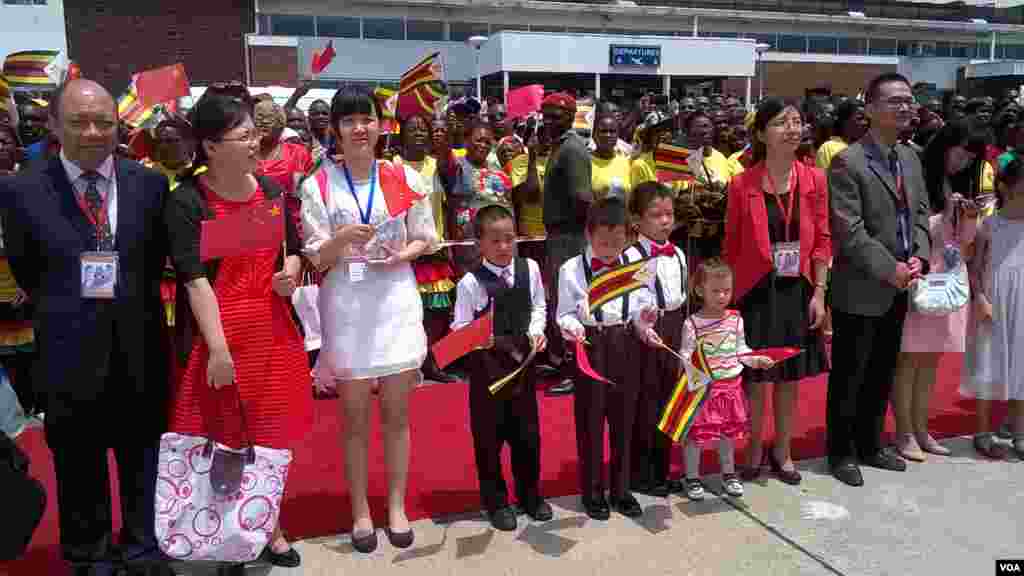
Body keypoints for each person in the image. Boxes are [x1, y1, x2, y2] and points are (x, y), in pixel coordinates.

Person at [0, 79, 172, 576]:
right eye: (78, 121)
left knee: (143, 461)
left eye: (104, 121)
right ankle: (89, 553)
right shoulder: (22, 189)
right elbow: (27, 269)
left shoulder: (148, 183)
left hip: (139, 352)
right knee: (79, 466)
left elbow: (153, 260)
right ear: (53, 125)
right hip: (67, 353)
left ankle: (142, 547)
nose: (93, 132)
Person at [164, 89, 312, 568]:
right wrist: (219, 351)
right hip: (220, 337)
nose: (255, 143)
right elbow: (195, 282)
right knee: (224, 436)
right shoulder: (187, 201)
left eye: (255, 134)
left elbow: (289, 250)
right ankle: (227, 530)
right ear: (210, 146)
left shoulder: (272, 192)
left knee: (271, 437)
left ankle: (269, 525)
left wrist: (290, 272)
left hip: (273, 330)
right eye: (244, 135)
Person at [300, 85, 438, 553]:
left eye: (368, 119)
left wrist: (405, 253)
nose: (360, 128)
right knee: (354, 419)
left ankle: (395, 505)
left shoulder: (402, 176)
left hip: (395, 300)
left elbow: (427, 237)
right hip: (347, 307)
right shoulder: (317, 184)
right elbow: (315, 256)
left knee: (397, 417)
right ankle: (360, 509)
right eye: (349, 121)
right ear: (334, 130)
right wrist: (340, 241)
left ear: (382, 125)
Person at [827, 73, 931, 487]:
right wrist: (892, 268)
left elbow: (920, 213)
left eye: (908, 100)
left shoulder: (910, 156)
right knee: (850, 372)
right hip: (862, 285)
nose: (905, 107)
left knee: (883, 369)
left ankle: (871, 444)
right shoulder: (847, 161)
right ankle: (841, 451)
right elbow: (849, 230)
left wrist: (920, 256)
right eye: (894, 101)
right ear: (869, 109)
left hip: (902, 283)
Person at [723, 98, 831, 486]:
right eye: (782, 123)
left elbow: (822, 238)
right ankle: (753, 448)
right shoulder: (741, 184)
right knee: (756, 377)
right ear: (761, 133)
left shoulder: (815, 180)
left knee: (789, 377)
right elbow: (731, 246)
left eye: (797, 122)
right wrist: (726, 301)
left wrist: (819, 293)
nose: (791, 129)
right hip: (755, 290)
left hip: (798, 289)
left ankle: (782, 449)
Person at [451, 204, 552, 531]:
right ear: (479, 244)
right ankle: (496, 501)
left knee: (528, 436)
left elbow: (539, 304)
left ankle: (530, 495)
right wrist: (479, 337)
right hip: (488, 371)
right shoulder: (469, 283)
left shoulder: (530, 268)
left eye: (509, 239)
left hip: (523, 366)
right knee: (489, 440)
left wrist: (538, 332)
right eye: (495, 241)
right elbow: (459, 328)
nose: (504, 247)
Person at [557, 197, 656, 520]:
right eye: (603, 242)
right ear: (588, 235)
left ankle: (622, 489)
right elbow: (565, 314)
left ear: (629, 236)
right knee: (590, 420)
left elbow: (641, 307)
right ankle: (593, 490)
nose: (610, 250)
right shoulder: (571, 269)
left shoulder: (634, 265)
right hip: (592, 344)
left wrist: (647, 323)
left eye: (618, 242)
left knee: (625, 419)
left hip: (626, 343)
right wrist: (573, 329)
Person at [895, 120, 983, 461]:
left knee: (931, 359)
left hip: (947, 277)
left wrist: (970, 217)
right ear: (946, 145)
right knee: (909, 360)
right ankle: (904, 431)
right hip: (923, 273)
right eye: (962, 152)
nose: (964, 162)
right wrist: (946, 214)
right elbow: (911, 231)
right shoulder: (919, 176)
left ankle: (920, 428)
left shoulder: (957, 183)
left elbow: (964, 242)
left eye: (971, 157)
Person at [677, 259, 773, 500]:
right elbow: (685, 355)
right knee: (695, 436)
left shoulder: (736, 320)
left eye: (727, 291)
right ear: (700, 291)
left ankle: (728, 474)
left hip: (731, 388)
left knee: (727, 435)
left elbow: (742, 351)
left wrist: (757, 360)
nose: (722, 296)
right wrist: (690, 372)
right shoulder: (692, 323)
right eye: (716, 291)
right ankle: (692, 477)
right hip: (703, 391)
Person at [625, 182, 687, 497]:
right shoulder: (632, 256)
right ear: (637, 221)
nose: (665, 221)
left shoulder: (677, 253)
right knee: (645, 403)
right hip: (646, 333)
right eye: (656, 215)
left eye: (669, 214)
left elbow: (683, 298)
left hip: (674, 328)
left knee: (668, 401)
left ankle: (662, 469)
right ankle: (641, 473)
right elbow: (634, 301)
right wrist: (644, 328)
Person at [963, 155, 1024, 460]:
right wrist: (981, 299)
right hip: (993, 302)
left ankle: (1019, 431)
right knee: (988, 367)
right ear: (1005, 187)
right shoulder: (990, 224)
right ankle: (983, 431)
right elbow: (973, 269)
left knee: (1022, 366)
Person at [396, 112, 457, 383]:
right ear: (402, 135)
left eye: (424, 128)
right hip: (403, 251)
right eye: (413, 128)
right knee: (407, 313)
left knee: (437, 313)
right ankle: (407, 365)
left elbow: (451, 204)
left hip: (436, 250)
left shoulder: (438, 165)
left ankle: (433, 363)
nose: (420, 133)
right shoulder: (392, 166)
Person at [543, 92, 593, 396]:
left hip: (570, 237)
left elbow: (582, 199)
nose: (550, 120)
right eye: (546, 114)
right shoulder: (560, 146)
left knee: (572, 303)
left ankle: (577, 370)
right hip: (560, 236)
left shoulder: (572, 149)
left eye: (557, 115)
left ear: (571, 115)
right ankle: (565, 363)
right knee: (561, 302)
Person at [591, 101, 632, 204]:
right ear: (594, 135)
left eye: (612, 131)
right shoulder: (585, 163)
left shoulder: (626, 162)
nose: (608, 135)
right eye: (603, 131)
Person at [816, 99, 868, 171]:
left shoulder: (867, 148)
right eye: (859, 118)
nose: (865, 123)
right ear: (844, 121)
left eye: (867, 119)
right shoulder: (828, 148)